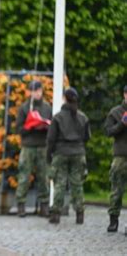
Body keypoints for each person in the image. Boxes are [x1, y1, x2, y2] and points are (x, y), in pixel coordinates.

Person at [47, 87, 91, 224]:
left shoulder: (58, 117)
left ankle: (56, 214)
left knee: (59, 183)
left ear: (65, 98)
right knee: (77, 184)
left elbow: (51, 139)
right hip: (78, 153)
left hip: (61, 153)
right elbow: (87, 137)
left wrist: (49, 155)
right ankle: (80, 213)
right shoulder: (83, 117)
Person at [15, 80, 52, 217]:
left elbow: (52, 126)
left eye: (38, 90)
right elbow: (18, 128)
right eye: (33, 91)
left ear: (41, 91)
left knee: (43, 177)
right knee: (24, 176)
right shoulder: (24, 108)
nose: (35, 93)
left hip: (42, 146)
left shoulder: (47, 107)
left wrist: (45, 126)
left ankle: (44, 206)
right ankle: (21, 205)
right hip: (28, 146)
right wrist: (29, 127)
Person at [105, 85, 127, 232]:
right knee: (117, 190)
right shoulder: (115, 112)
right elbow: (108, 131)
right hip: (121, 155)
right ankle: (114, 220)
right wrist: (122, 124)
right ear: (125, 95)